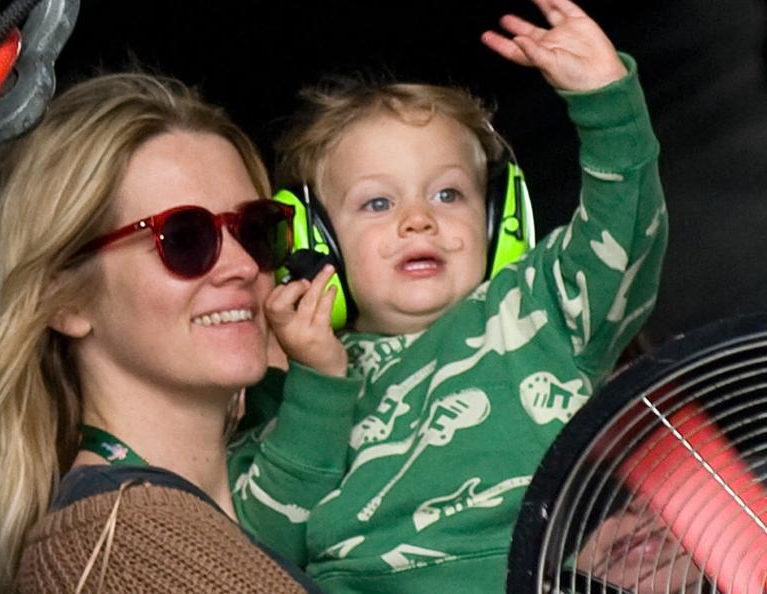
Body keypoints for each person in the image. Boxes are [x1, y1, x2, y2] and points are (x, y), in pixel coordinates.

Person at [227, 0, 668, 591]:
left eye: (448, 195)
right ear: (320, 243)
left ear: (498, 220)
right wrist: (317, 383)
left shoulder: (538, 309)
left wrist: (608, 106)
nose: (417, 221)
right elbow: (258, 550)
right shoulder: (291, 382)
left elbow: (624, 233)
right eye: (378, 204)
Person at [0, 72, 346, 593]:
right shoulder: (115, 542)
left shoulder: (298, 489)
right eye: (184, 238)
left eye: (255, 230)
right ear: (64, 299)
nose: (243, 265)